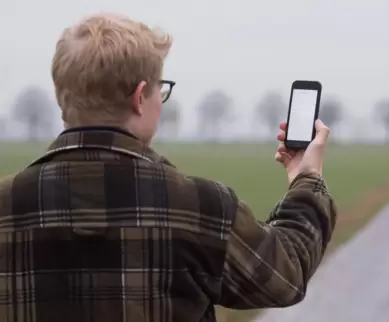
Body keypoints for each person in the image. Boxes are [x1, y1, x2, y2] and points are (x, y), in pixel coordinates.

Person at [0, 13, 337, 322]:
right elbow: (285, 274)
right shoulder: (203, 207)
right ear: (140, 96)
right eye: (161, 90)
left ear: (63, 96)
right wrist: (306, 178)